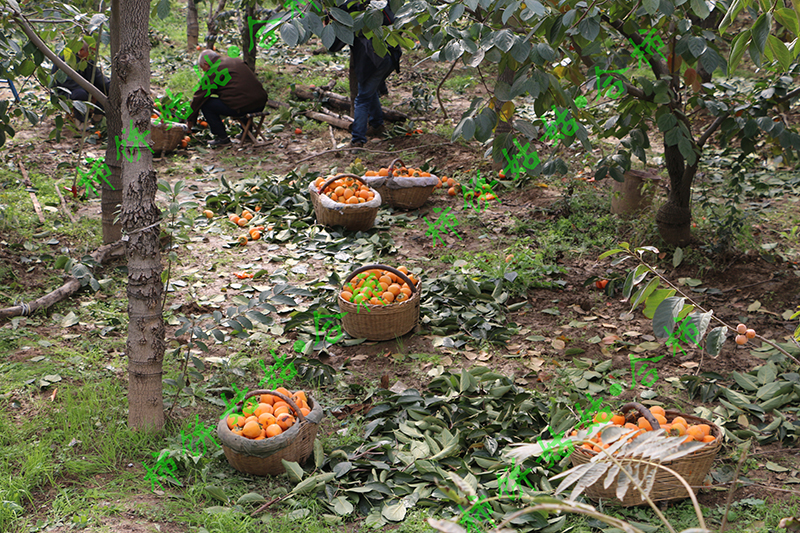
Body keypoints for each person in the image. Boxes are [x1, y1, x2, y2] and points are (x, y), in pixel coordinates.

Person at [347, 4, 402, 149]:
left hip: (372, 59)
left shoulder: (350, 7)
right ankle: (377, 125)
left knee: (362, 99)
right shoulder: (381, 4)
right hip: (389, 55)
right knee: (370, 91)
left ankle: (357, 140)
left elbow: (334, 44)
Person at [186, 50, 268, 147]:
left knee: (206, 104)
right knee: (241, 97)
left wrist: (190, 119)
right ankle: (247, 133)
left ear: (206, 63)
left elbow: (199, 97)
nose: (204, 71)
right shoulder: (235, 61)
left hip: (243, 107)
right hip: (261, 103)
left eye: (203, 68)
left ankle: (222, 137)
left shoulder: (214, 70)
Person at [51, 42, 110, 125]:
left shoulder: (89, 60)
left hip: (84, 89)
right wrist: (90, 91)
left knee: (102, 88)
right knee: (81, 94)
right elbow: (67, 82)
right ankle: (80, 122)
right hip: (66, 91)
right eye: (91, 53)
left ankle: (98, 117)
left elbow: (99, 78)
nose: (93, 56)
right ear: (81, 50)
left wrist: (112, 86)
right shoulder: (68, 59)